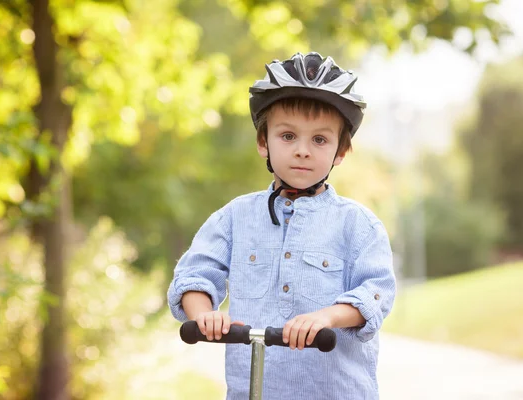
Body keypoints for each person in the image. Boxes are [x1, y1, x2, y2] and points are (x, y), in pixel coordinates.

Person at [167, 51, 396, 400]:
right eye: (288, 136)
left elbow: (375, 293)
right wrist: (204, 315)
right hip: (253, 390)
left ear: (340, 153)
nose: (303, 150)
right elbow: (196, 274)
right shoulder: (235, 217)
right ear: (264, 142)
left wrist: (327, 317)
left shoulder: (358, 225)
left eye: (319, 139)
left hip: (334, 392)